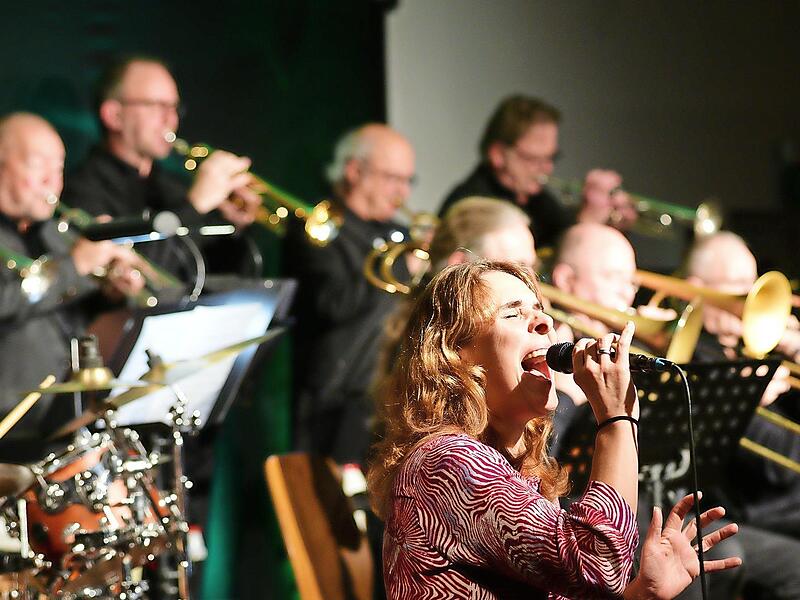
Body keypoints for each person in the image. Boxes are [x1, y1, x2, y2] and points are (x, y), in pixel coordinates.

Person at [368, 260, 739, 599]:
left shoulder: (519, 470)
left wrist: (641, 595)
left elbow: (586, 582)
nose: (544, 324)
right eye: (513, 314)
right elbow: (599, 564)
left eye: (539, 311)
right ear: (455, 353)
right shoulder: (446, 462)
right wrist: (615, 421)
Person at [549, 225, 800, 599]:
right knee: (719, 560)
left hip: (661, 508)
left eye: (631, 279)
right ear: (567, 279)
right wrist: (577, 398)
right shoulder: (550, 350)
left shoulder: (633, 348)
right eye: (613, 276)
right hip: (592, 520)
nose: (627, 290)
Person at [0, 113, 143, 457]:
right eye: (38, 166)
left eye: (60, 168)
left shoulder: (55, 234)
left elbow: (66, 306)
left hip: (72, 423)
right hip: (12, 431)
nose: (53, 181)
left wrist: (111, 292)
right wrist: (75, 266)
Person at [283, 122, 415, 465]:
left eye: (407, 181)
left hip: (387, 397)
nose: (402, 193)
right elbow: (331, 304)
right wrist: (402, 269)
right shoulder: (317, 227)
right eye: (392, 178)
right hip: (333, 402)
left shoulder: (399, 234)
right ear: (355, 171)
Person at [61, 56, 260, 283]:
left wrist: (235, 226)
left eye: (174, 107)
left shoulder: (172, 187)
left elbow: (218, 278)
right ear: (114, 115)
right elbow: (143, 278)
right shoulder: (82, 190)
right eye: (157, 106)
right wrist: (195, 206)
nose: (171, 119)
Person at [687, 231, 800, 540]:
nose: (753, 297)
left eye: (754, 284)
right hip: (746, 511)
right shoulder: (694, 358)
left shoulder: (747, 350)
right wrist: (748, 397)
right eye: (738, 285)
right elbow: (784, 465)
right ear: (696, 289)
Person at [440, 95, 635, 249]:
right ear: (498, 154)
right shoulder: (470, 205)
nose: (548, 168)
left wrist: (608, 226)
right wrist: (587, 223)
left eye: (551, 157)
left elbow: (561, 235)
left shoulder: (537, 200)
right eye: (534, 159)